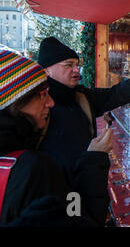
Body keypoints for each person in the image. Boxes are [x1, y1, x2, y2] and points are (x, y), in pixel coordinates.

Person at [0, 50, 111, 226]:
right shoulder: (33, 169)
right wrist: (93, 161)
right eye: (42, 95)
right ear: (16, 104)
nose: (50, 103)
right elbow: (81, 217)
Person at [36, 37, 130, 178]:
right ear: (46, 71)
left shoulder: (80, 97)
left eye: (77, 65)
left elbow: (111, 95)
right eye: (68, 65)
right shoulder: (38, 107)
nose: (76, 70)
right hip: (55, 190)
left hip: (86, 182)